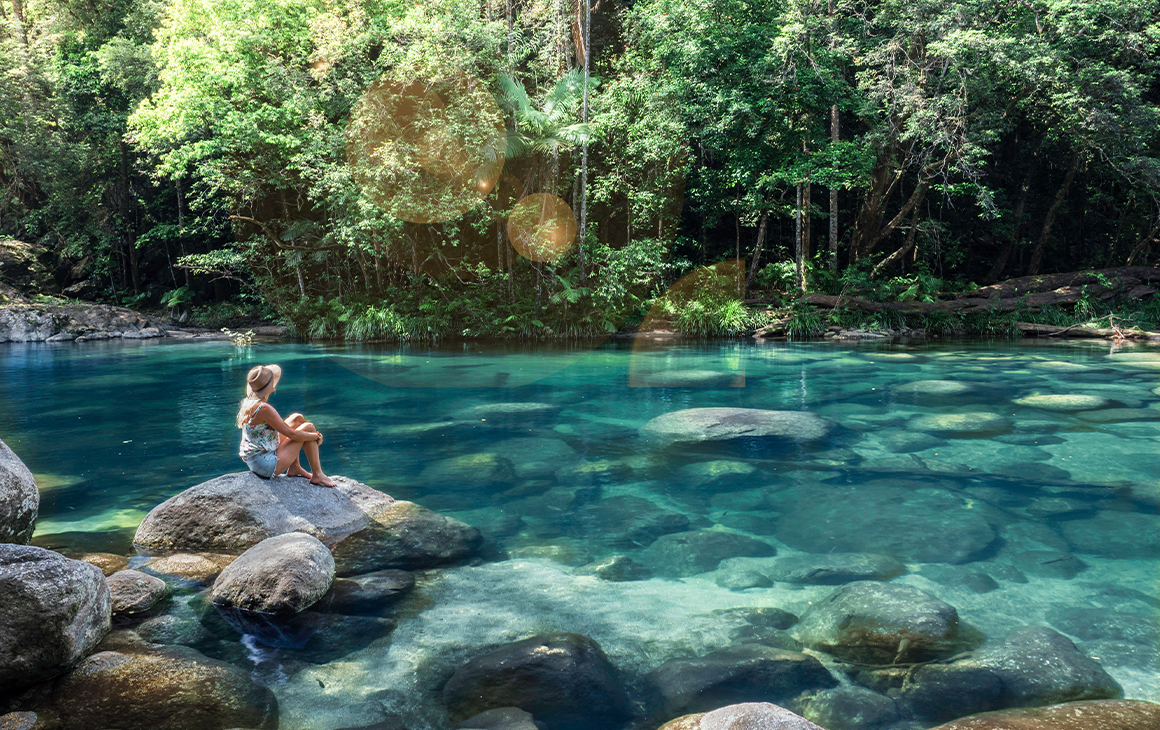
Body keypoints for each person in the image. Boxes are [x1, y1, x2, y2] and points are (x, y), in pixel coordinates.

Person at [237, 364, 336, 487]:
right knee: (308, 427)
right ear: (272, 389)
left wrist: (309, 436)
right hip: (265, 465)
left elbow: (285, 430)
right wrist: (315, 436)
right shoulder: (265, 409)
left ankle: (295, 468)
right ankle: (318, 475)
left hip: (257, 458)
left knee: (297, 419)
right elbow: (292, 434)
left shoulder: (249, 403)